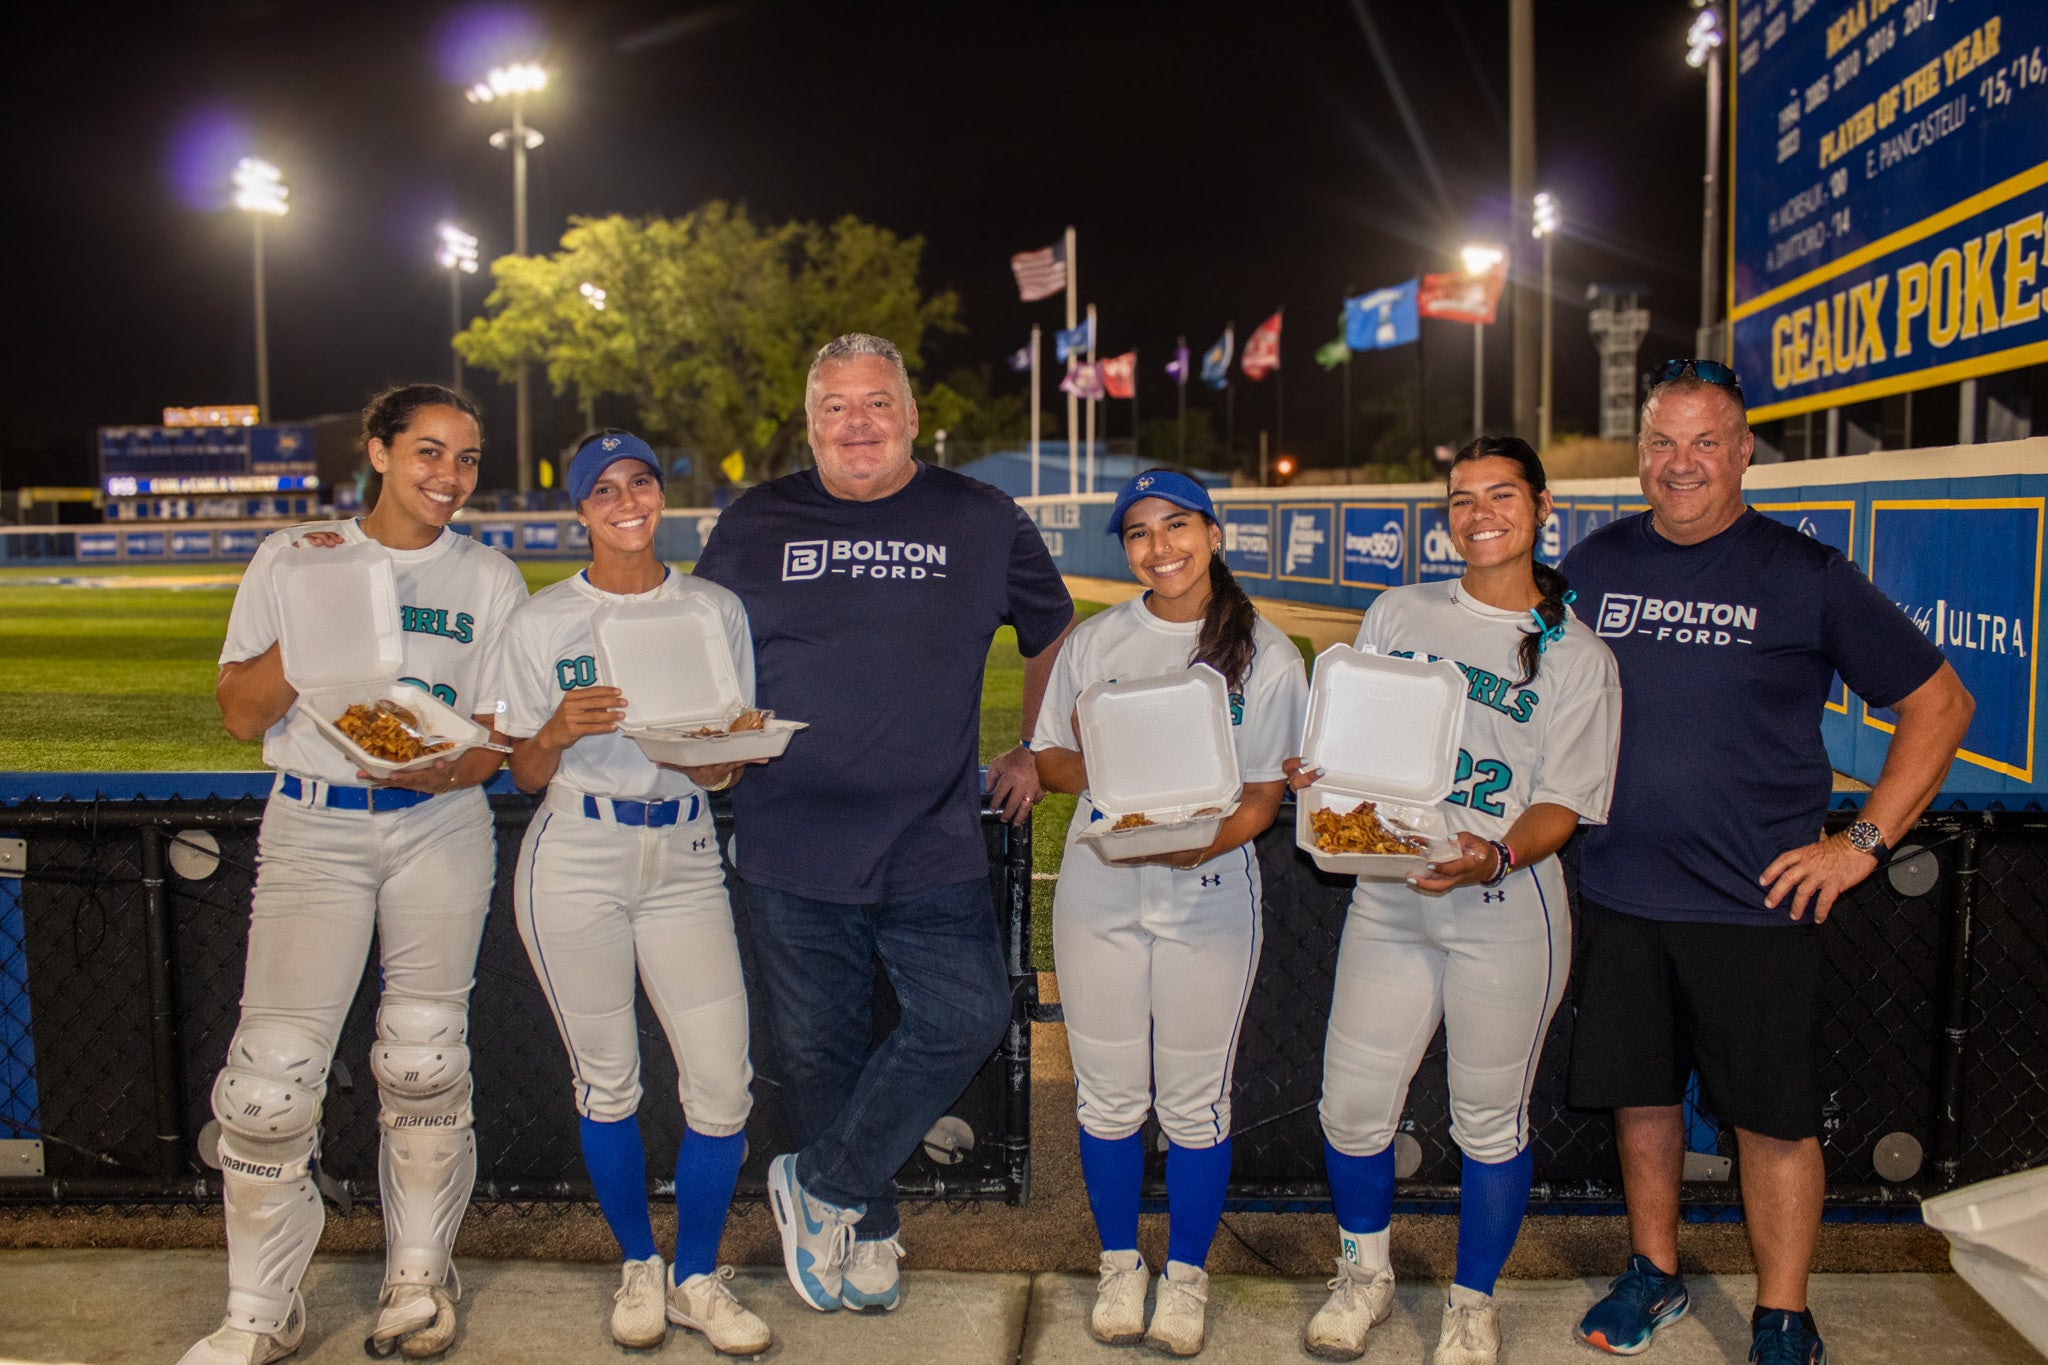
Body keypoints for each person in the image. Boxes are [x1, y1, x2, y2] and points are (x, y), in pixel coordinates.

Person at [1562, 361, 1973, 1365]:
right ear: (1638, 456)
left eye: (1705, 442)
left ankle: (1781, 1313)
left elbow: (1939, 705)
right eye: (1661, 443)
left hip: (1753, 903)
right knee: (1643, 1101)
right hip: (1617, 890)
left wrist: (1859, 845)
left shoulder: (1802, 574)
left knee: (1773, 1123)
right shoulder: (1593, 564)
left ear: (1745, 452)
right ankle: (1652, 1274)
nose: (1680, 463)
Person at [693, 332, 1074, 1315]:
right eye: (833, 407)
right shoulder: (754, 520)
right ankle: (863, 1229)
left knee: (970, 1016)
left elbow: (1053, 633)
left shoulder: (979, 517)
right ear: (810, 422)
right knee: (819, 1058)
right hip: (785, 842)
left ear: (909, 418)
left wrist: (1033, 743)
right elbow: (696, 647)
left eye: (875, 404)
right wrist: (709, 733)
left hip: (930, 841)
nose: (855, 423)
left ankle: (814, 1184)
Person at [185, 384, 528, 1365]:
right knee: (267, 1085)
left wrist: (447, 762)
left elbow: (496, 739)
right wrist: (317, 634)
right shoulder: (296, 557)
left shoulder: (489, 577)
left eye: (465, 459)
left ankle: (418, 1275)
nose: (449, 477)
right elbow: (243, 714)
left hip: (440, 823)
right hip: (315, 822)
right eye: (427, 452)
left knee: (424, 1057)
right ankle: (259, 1308)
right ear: (377, 452)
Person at [1292, 436, 1622, 1365]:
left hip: (1506, 906)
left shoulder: (1577, 654)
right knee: (1352, 1108)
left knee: (1489, 1119)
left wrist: (1500, 852)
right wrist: (1319, 774)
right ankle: (1365, 1276)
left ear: (1542, 505)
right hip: (1393, 896)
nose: (1479, 512)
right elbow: (1354, 743)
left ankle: (1473, 1301)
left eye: (1501, 494)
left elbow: (1564, 802)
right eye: (1462, 497)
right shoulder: (1399, 611)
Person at [496, 431, 770, 1356]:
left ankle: (696, 1272)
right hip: (576, 852)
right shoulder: (543, 622)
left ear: (661, 496)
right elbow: (524, 773)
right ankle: (638, 1263)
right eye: (603, 488)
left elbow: (727, 765)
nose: (626, 500)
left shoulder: (713, 607)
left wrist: (723, 755)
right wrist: (554, 729)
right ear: (579, 508)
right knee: (608, 1079)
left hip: (686, 854)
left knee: (722, 1083)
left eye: (641, 482)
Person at [1032, 469, 1307, 1357]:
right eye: (1140, 532)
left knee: (1194, 1102)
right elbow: (1050, 759)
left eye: (1177, 524)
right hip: (1103, 879)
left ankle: (1185, 1274)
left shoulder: (1265, 650)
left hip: (1209, 883)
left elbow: (1265, 795)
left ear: (1214, 532)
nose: (1161, 547)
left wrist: (1203, 839)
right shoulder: (1100, 638)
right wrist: (1122, 764)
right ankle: (1121, 1261)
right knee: (1109, 1097)